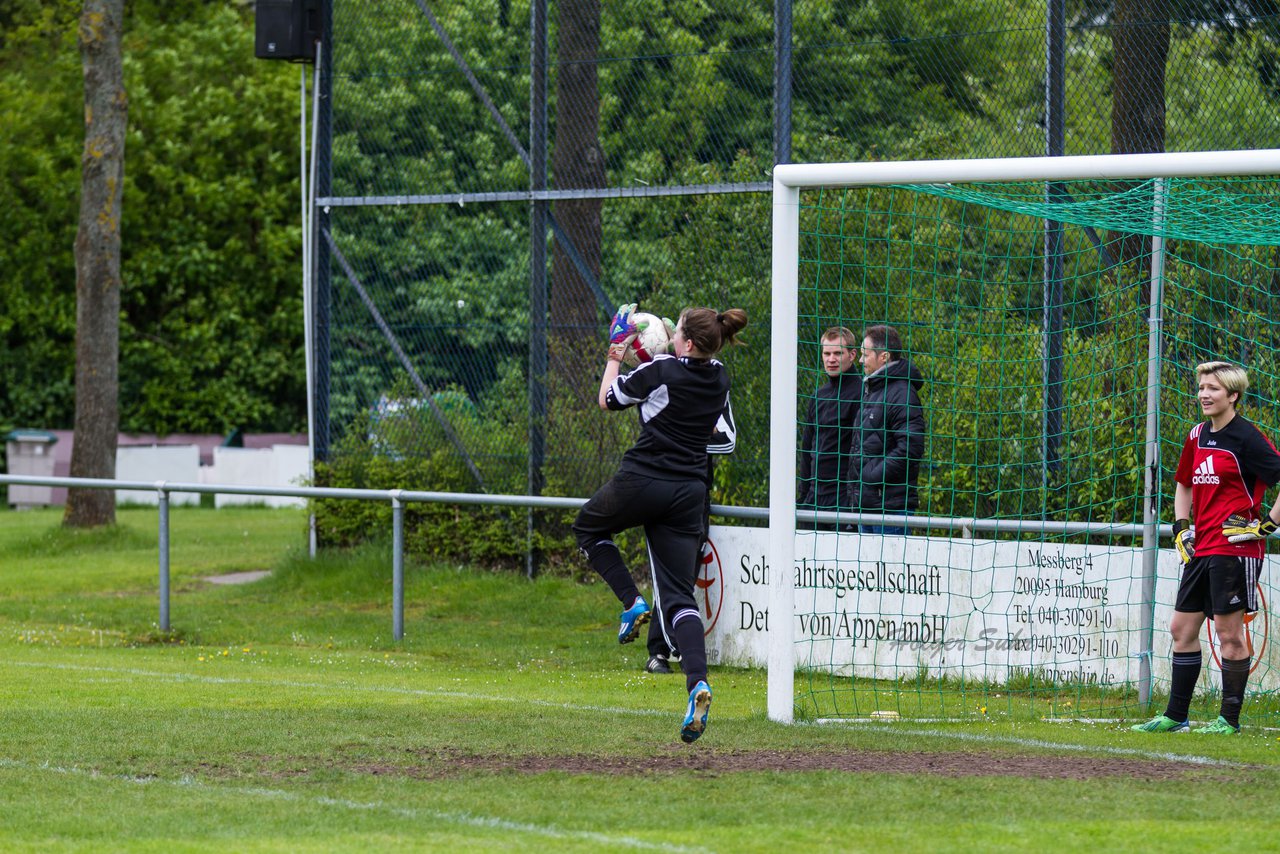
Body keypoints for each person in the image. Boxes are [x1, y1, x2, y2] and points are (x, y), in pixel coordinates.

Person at [573, 303, 748, 743]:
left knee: (588, 528)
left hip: (644, 480)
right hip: (688, 492)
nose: (669, 335)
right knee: (679, 595)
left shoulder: (663, 371)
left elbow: (607, 399)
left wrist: (615, 354)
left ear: (687, 342)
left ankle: (631, 602)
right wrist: (649, 367)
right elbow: (677, 386)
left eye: (677, 331)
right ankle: (698, 683)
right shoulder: (719, 375)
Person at [1132, 361, 1280, 735]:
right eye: (1200, 387)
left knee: (1229, 635)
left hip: (1235, 549)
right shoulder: (1196, 435)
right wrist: (1182, 527)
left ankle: (1228, 720)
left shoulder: (1247, 438)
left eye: (1212, 388)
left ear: (1233, 396)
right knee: (1181, 629)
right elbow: (1184, 483)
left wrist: (1268, 525)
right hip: (1203, 550)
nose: (1203, 394)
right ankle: (1176, 716)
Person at [644, 405, 736, 675]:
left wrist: (687, 437)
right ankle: (659, 650)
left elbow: (727, 441)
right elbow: (654, 436)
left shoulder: (715, 387)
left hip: (696, 494)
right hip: (662, 488)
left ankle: (679, 648)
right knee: (667, 572)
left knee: (685, 575)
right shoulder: (664, 380)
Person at [849, 324, 925, 535]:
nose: (861, 360)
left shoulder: (902, 393)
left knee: (891, 569)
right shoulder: (872, 391)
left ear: (883, 357)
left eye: (865, 355)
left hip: (891, 508)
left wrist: (872, 475)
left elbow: (911, 448)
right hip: (867, 505)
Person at [798, 327, 862, 530]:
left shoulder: (862, 393)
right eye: (827, 353)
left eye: (837, 353)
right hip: (814, 499)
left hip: (844, 501)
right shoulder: (818, 396)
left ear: (852, 355)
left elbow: (862, 451)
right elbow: (807, 449)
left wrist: (853, 502)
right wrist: (804, 495)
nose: (831, 359)